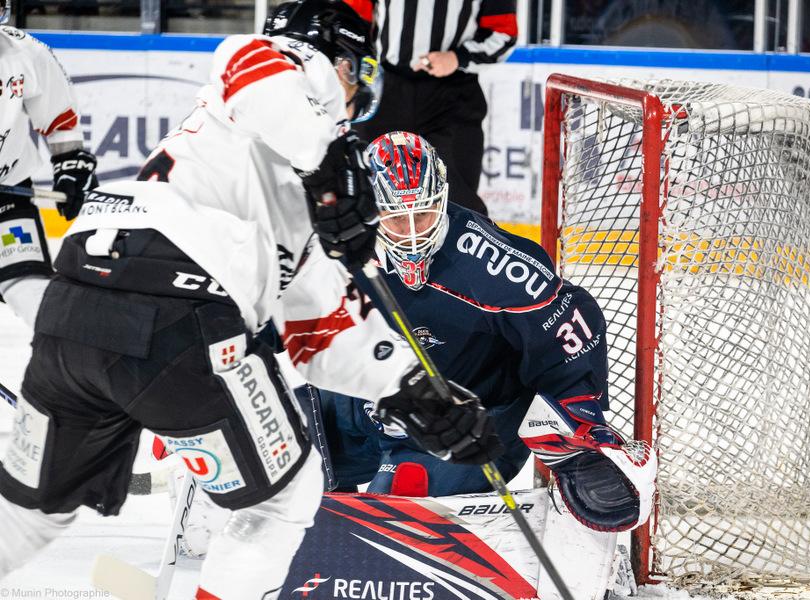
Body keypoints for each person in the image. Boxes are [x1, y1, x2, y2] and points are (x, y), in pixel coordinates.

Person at [0, 3, 500, 599]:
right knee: (282, 499)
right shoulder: (296, 74)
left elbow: (323, 328)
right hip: (177, 309)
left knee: (32, 513)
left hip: (75, 303)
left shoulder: (272, 190)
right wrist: (332, 162)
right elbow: (249, 61)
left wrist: (414, 391)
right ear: (345, 63)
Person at [320, 131, 656, 533]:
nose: (411, 233)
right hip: (376, 405)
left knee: (391, 526)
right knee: (289, 444)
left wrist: (575, 414)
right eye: (395, 218)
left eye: (423, 214)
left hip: (466, 425)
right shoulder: (340, 246)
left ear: (442, 198)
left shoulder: (492, 263)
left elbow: (571, 318)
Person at [345, 0, 518, 217]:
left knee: (458, 198)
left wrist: (457, 58)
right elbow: (351, 18)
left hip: (453, 94)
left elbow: (503, 32)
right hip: (386, 90)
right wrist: (352, 79)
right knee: (367, 187)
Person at [0, 8, 98, 326]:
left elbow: (59, 119)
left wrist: (70, 167)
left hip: (7, 192)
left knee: (28, 288)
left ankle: (61, 352)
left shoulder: (24, 52)